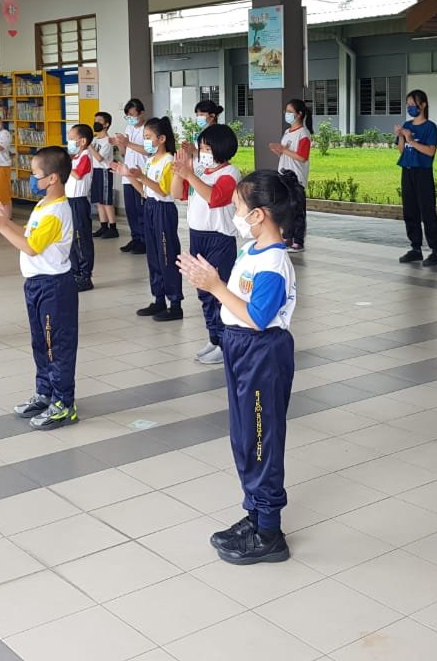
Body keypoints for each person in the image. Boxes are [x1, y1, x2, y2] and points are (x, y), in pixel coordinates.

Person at [178, 169, 301, 565]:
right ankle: (256, 515)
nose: (235, 214)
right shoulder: (252, 251)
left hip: (261, 353)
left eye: (237, 208)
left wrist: (214, 286)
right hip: (242, 348)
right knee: (246, 436)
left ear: (259, 214)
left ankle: (269, 533)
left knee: (261, 439)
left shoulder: (275, 263)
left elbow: (259, 317)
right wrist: (211, 283)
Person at [0, 146, 79, 430]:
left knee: (56, 346)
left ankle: (64, 404)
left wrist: (1, 226)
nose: (32, 179)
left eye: (36, 175)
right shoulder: (44, 205)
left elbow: (31, 247)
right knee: (41, 343)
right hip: (36, 284)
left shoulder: (56, 211)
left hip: (53, 287)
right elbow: (28, 234)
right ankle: (45, 393)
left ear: (53, 178)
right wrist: (6, 221)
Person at [173, 123, 241, 366]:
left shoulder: (230, 173)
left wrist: (190, 175)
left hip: (219, 239)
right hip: (198, 236)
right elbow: (177, 194)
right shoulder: (201, 171)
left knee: (219, 292)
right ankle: (214, 338)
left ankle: (225, 343)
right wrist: (180, 172)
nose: (202, 153)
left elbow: (215, 197)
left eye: (207, 149)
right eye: (201, 148)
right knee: (203, 292)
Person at [113, 115, 183, 321]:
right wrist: (128, 174)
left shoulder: (169, 160)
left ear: (161, 139)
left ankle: (175, 304)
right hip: (150, 206)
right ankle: (158, 299)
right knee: (153, 255)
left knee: (167, 255)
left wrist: (141, 177)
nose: (145, 141)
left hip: (163, 210)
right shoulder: (151, 160)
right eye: (144, 137)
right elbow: (144, 191)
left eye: (148, 137)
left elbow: (163, 191)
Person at [396, 88, 437, 267]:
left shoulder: (430, 127)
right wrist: (401, 137)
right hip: (407, 171)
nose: (410, 107)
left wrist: (411, 140)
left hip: (422, 172)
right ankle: (415, 248)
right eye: (408, 104)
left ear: (423, 105)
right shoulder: (407, 125)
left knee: (427, 210)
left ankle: (436, 250)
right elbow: (401, 150)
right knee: (410, 210)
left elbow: (430, 151)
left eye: (413, 104)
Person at [268, 98, 310, 253]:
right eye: (286, 111)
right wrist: (278, 150)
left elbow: (302, 157)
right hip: (283, 173)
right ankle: (287, 237)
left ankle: (298, 240)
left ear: (299, 114)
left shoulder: (303, 134)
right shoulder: (287, 132)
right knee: (285, 208)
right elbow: (286, 154)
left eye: (290, 112)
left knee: (297, 209)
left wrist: (283, 150)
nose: (287, 114)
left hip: (296, 176)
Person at [110, 98, 148, 254]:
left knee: (141, 209)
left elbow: (148, 151)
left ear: (141, 113)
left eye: (133, 115)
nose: (130, 118)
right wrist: (119, 143)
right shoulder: (129, 128)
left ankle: (144, 240)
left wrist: (127, 143)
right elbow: (124, 152)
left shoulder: (147, 129)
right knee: (131, 210)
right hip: (127, 175)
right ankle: (135, 238)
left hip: (141, 174)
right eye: (128, 116)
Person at [66, 123, 96, 292]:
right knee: (71, 239)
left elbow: (78, 175)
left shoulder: (86, 156)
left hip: (79, 202)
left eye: (72, 138)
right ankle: (74, 271)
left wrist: (65, 165)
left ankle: (85, 275)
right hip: (69, 201)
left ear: (83, 141)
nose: (69, 141)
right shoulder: (75, 157)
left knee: (81, 239)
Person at [88, 111, 118, 239]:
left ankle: (113, 228)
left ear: (106, 124)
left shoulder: (108, 141)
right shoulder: (95, 140)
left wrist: (89, 146)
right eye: (95, 121)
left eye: (99, 121)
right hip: (95, 171)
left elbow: (100, 158)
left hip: (104, 172)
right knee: (98, 202)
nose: (96, 123)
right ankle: (103, 226)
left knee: (106, 201)